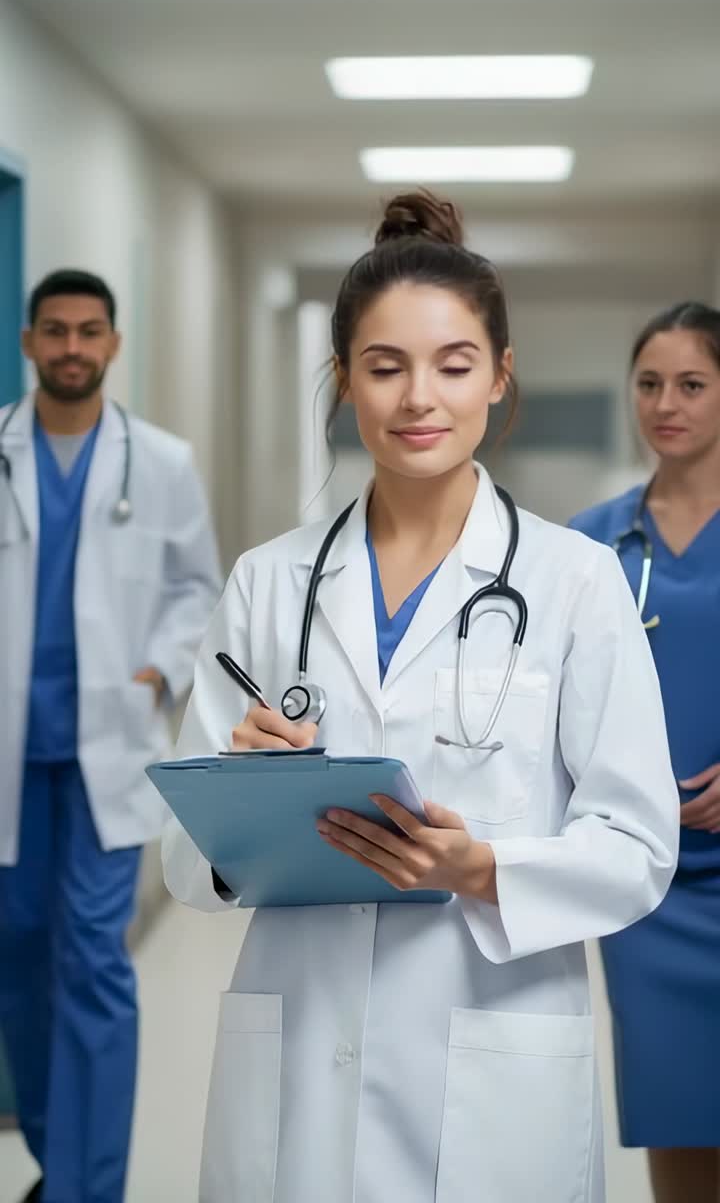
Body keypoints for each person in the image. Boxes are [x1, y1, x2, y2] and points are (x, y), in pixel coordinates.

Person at [163, 191, 679, 1203]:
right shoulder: (269, 581)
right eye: (384, 366)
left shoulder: (575, 580)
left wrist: (484, 864)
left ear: (499, 375)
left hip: (493, 1044)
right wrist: (243, 790)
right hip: (303, 1046)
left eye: (452, 364)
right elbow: (187, 858)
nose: (417, 399)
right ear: (344, 381)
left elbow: (636, 844)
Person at [0, 269, 222, 1203]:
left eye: (90, 332)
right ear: (29, 341)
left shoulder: (159, 462)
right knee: (19, 964)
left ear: (114, 344)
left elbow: (196, 589)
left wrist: (155, 674)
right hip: (14, 755)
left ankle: (91, 1186)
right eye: (56, 332)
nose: (73, 349)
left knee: (93, 961)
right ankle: (59, 1161)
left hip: (105, 753)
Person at [570, 301, 720, 1203]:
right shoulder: (593, 543)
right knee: (677, 1113)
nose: (667, 403)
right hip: (646, 885)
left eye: (693, 384)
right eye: (650, 384)